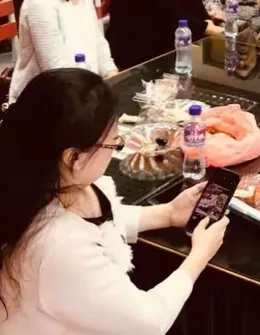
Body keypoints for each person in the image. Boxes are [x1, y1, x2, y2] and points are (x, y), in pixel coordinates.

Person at [0, 68, 229, 334]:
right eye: (113, 144)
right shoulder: (59, 247)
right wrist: (199, 255)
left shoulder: (42, 182)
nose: (115, 150)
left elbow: (103, 219)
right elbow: (147, 323)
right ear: (74, 157)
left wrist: (167, 213)